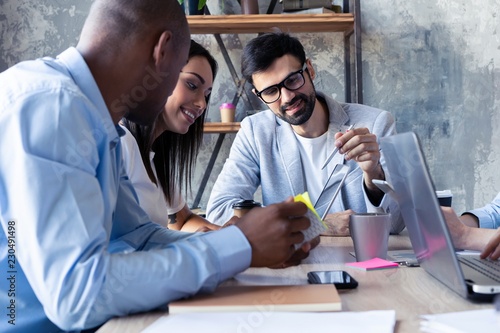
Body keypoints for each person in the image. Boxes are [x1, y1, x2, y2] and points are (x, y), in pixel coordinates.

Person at [0, 1, 310, 332]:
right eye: (182, 73)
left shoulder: (101, 124)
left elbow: (137, 236)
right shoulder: (52, 106)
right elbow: (78, 296)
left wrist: (245, 244)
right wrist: (239, 246)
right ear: (163, 51)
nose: (201, 105)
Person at [206, 32, 405, 235]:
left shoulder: (374, 124)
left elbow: (397, 223)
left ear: (309, 69)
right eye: (270, 92)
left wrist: (373, 174)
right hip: (291, 263)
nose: (286, 98)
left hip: (359, 262)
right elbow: (219, 211)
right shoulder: (255, 132)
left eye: (292, 80)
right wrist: (315, 223)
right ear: (259, 95)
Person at [120, 40, 220, 232]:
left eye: (206, 94)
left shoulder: (153, 157)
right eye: (192, 85)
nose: (202, 104)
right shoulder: (120, 144)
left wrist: (231, 234)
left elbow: (182, 221)